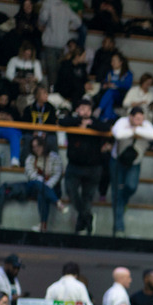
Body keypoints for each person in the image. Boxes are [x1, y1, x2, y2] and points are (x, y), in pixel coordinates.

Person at [60, 97, 112, 236]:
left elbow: (106, 127)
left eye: (87, 109)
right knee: (70, 191)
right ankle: (87, 217)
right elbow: (61, 122)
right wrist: (79, 122)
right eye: (82, 109)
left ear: (91, 111)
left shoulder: (95, 122)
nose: (84, 112)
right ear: (77, 110)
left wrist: (88, 125)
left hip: (93, 167)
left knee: (87, 198)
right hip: (74, 166)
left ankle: (82, 224)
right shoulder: (72, 121)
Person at [0, 137, 65, 233]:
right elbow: (32, 176)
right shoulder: (30, 158)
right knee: (37, 185)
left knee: (42, 194)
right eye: (33, 147)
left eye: (38, 146)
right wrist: (43, 185)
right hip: (33, 187)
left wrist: (46, 186)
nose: (36, 149)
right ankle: (57, 202)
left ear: (43, 146)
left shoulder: (54, 157)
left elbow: (57, 175)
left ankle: (43, 225)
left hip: (50, 188)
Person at [110, 106, 153, 237]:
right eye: (136, 119)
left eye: (141, 119)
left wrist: (135, 129)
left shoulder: (145, 124)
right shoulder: (122, 121)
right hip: (117, 161)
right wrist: (135, 130)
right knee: (117, 193)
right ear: (130, 117)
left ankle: (124, 202)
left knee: (131, 186)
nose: (139, 121)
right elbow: (118, 134)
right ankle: (119, 228)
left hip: (135, 162)